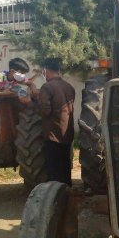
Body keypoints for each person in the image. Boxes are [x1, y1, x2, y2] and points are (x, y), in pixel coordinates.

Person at [21, 58, 75, 186]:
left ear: (45, 71)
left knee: (54, 169)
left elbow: (45, 111)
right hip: (67, 133)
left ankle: (56, 196)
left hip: (53, 134)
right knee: (65, 167)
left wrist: (29, 103)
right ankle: (67, 191)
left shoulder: (47, 87)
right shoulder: (69, 87)